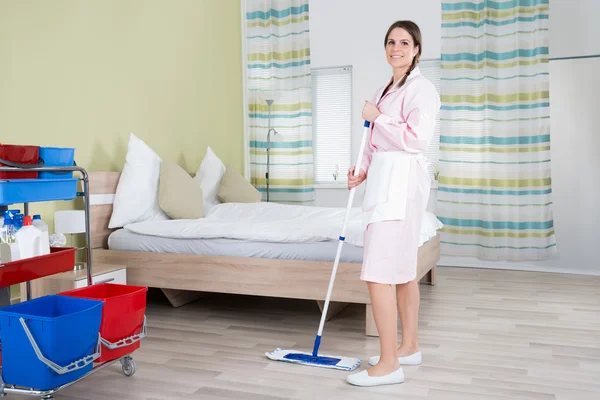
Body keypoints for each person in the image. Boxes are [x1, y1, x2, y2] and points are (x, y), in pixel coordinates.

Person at [345, 20, 440, 387]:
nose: (396, 48)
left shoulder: (422, 90)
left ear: (417, 49)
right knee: (401, 270)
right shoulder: (386, 87)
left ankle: (388, 365)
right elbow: (374, 141)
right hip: (384, 179)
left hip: (401, 184)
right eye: (390, 42)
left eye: (404, 42)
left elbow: (416, 139)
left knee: (378, 272)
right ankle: (408, 346)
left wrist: (378, 117)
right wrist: (362, 170)